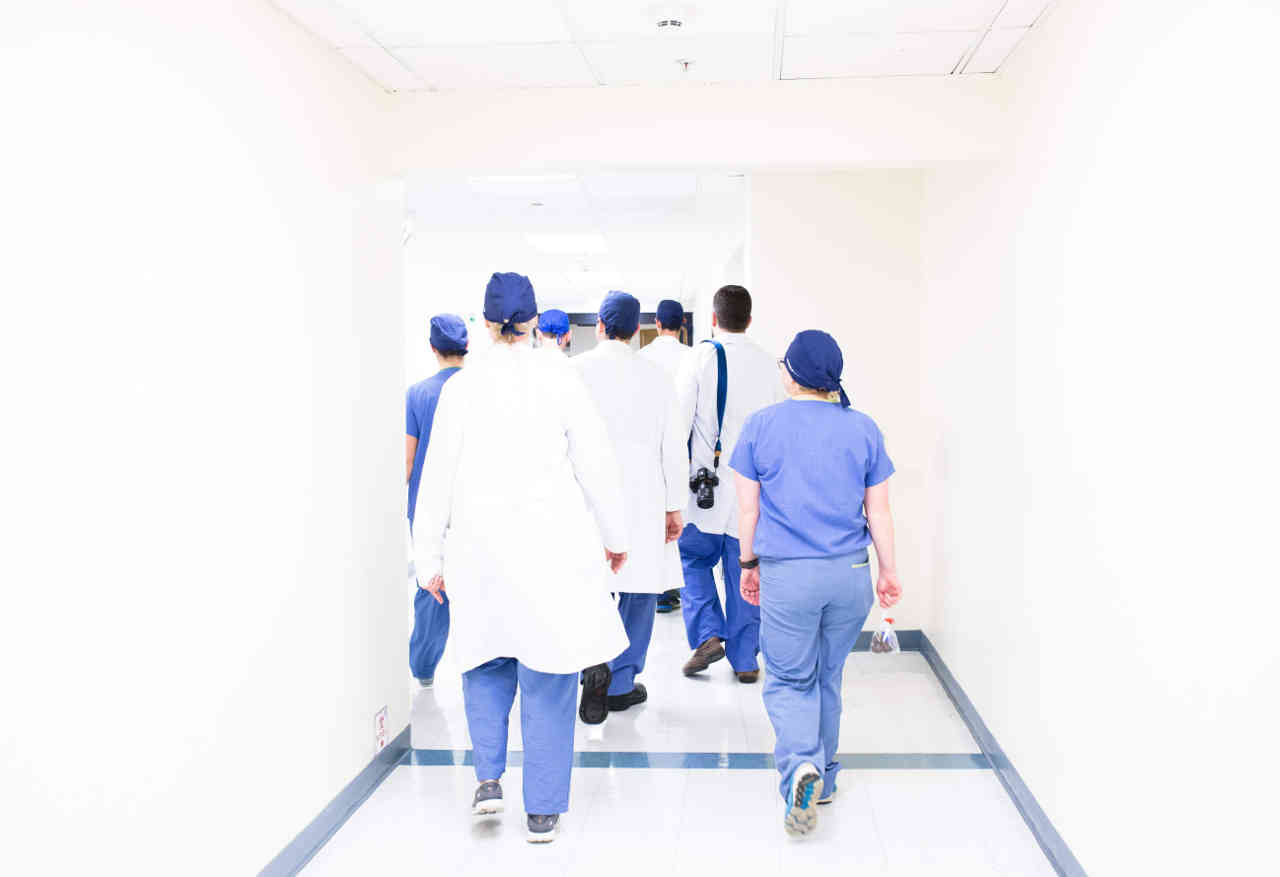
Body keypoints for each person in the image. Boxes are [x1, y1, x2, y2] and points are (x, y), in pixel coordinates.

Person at [412, 272, 630, 844]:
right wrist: (616, 536)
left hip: (479, 551)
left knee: (484, 663)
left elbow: (435, 479)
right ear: (534, 321)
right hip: (550, 551)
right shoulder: (560, 378)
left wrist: (428, 557)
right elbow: (597, 464)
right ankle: (542, 811)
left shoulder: (461, 387)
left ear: (485, 324)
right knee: (550, 674)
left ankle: (488, 781)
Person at [729, 330, 902, 838]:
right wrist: (889, 571)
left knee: (788, 679)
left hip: (790, 575)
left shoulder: (761, 426)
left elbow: (747, 510)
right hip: (849, 575)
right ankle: (823, 778)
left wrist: (747, 564)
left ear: (793, 374)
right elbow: (880, 513)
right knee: (828, 676)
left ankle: (800, 766)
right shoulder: (864, 428)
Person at [573, 292, 686, 719]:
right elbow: (673, 448)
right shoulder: (656, 376)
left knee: (588, 583)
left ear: (600, 326)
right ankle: (620, 683)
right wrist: (674, 506)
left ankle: (589, 664)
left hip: (586, 494)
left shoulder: (574, 372)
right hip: (642, 494)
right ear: (638, 330)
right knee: (639, 588)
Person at [674, 285, 786, 682]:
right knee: (747, 570)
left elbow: (678, 424)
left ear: (714, 320)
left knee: (691, 561)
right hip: (752, 495)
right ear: (750, 320)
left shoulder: (701, 357)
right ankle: (745, 661)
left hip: (704, 490)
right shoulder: (770, 365)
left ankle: (708, 634)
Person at [405, 314, 468, 687]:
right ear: (467, 348)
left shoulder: (417, 393)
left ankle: (424, 668)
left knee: (433, 584)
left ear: (432, 348)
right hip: (472, 504)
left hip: (429, 505)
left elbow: (408, 460)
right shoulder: (481, 390)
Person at [640, 298, 692, 614]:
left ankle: (659, 591)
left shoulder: (642, 358)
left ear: (657, 324)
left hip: (650, 448)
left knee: (654, 516)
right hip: (685, 447)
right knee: (682, 517)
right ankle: (679, 587)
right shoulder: (694, 357)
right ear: (682, 325)